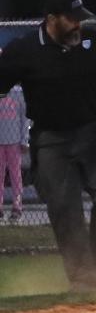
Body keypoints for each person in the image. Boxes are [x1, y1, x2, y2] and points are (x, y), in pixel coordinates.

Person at [0, 0, 96, 290]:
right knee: (64, 208)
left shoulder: (94, 43)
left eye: (80, 18)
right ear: (51, 19)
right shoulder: (26, 50)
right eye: (71, 19)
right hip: (51, 140)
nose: (77, 25)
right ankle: (82, 277)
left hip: (93, 131)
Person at [0, 85, 28, 224]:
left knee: (15, 174)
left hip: (14, 141)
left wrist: (24, 140)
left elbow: (24, 118)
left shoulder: (18, 92)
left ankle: (17, 206)